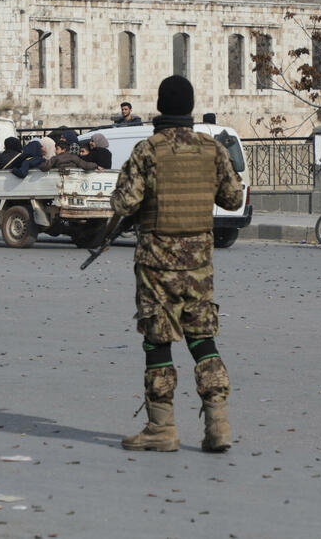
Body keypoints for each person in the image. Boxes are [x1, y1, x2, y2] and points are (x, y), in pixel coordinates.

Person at [109, 76, 244, 453]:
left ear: (160, 106)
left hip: (156, 264)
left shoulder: (148, 150)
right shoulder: (212, 149)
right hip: (199, 263)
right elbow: (233, 199)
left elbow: (123, 203)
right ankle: (218, 424)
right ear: (189, 108)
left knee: (157, 341)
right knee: (202, 338)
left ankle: (161, 428)